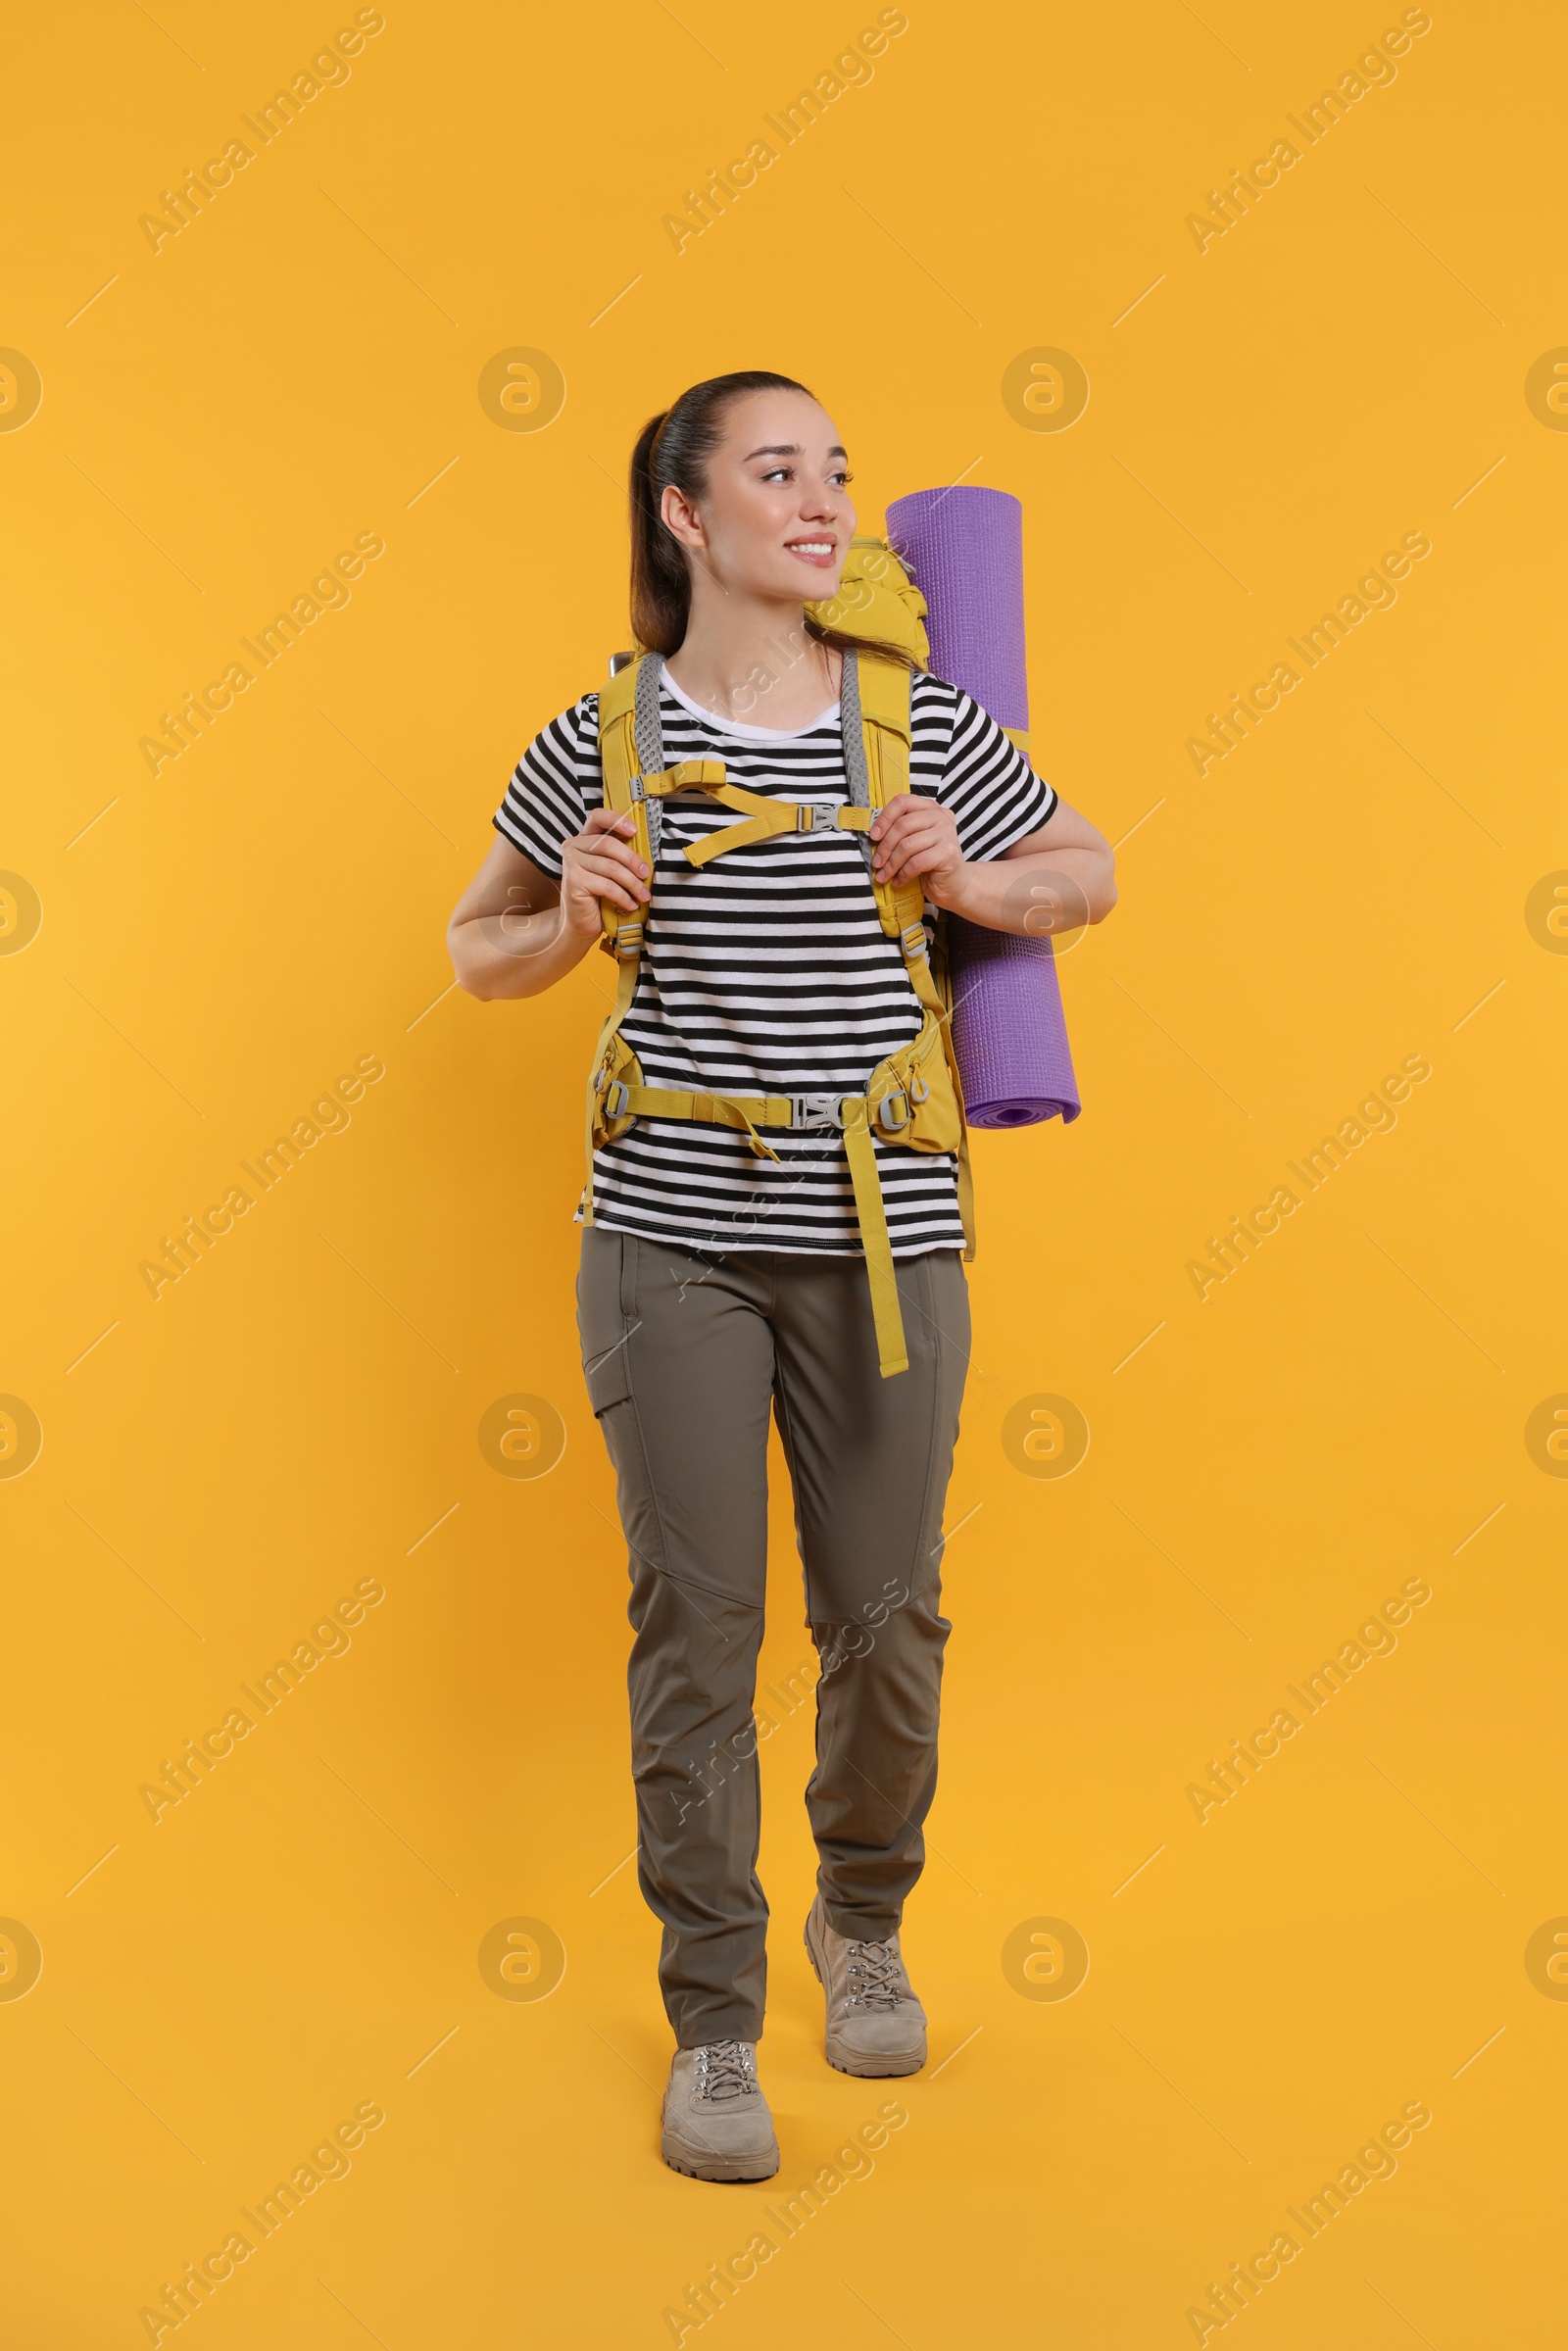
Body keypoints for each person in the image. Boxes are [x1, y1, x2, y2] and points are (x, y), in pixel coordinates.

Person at [448, 370, 1116, 2181]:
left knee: (889, 1621)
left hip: (889, 1231)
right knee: (699, 1630)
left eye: (837, 472)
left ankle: (865, 1916)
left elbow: (1093, 870)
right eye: (776, 471)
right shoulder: (598, 732)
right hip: (667, 1231)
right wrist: (565, 914)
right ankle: (719, 2025)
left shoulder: (911, 720)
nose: (822, 501)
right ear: (686, 511)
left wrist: (977, 881)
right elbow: (474, 948)